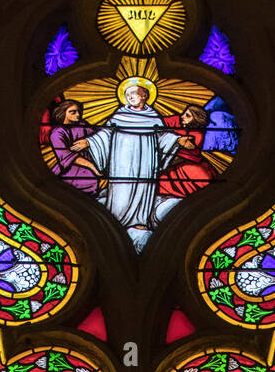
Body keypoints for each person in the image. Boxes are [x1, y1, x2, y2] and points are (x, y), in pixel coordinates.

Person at [80, 81, 182, 251]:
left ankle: (140, 221)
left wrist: (178, 140)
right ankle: (117, 219)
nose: (130, 97)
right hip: (122, 158)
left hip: (146, 159)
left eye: (134, 93)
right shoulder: (119, 115)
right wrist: (89, 142)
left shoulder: (154, 117)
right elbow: (105, 133)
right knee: (121, 187)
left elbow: (162, 137)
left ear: (145, 95)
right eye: (127, 95)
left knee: (144, 185)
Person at [158, 104, 215, 197]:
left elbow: (182, 157)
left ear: (196, 119)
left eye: (187, 116)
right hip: (167, 161)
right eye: (184, 113)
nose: (182, 116)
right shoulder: (176, 120)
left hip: (183, 164)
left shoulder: (197, 135)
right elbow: (158, 123)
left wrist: (161, 165)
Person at [47, 98, 100, 194]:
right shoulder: (57, 133)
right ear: (63, 113)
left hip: (88, 171)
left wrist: (88, 142)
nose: (78, 115)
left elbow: (98, 138)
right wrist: (91, 166)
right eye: (73, 112)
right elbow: (66, 156)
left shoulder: (83, 125)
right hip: (69, 171)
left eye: (79, 112)